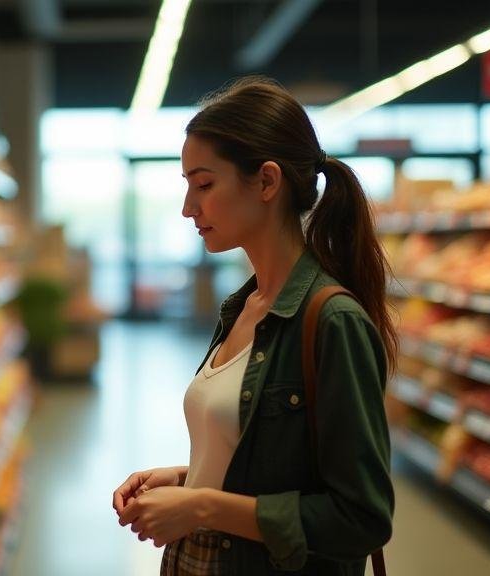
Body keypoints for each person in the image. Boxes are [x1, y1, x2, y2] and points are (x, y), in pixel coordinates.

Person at [112, 77, 395, 576]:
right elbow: (265, 463)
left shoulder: (333, 322)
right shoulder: (242, 308)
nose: (187, 207)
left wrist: (202, 507)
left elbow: (361, 519)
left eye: (204, 184)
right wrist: (186, 480)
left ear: (266, 182)